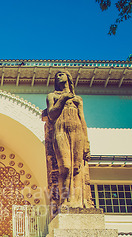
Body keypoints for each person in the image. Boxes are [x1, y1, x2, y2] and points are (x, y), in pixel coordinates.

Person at [46, 70, 93, 209]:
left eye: (61, 74)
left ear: (68, 78)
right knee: (65, 167)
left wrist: (86, 143)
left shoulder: (77, 99)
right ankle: (65, 200)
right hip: (60, 131)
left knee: (77, 167)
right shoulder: (52, 96)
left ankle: (78, 201)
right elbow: (51, 115)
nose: (58, 76)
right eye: (56, 76)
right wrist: (63, 99)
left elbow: (82, 120)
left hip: (77, 131)